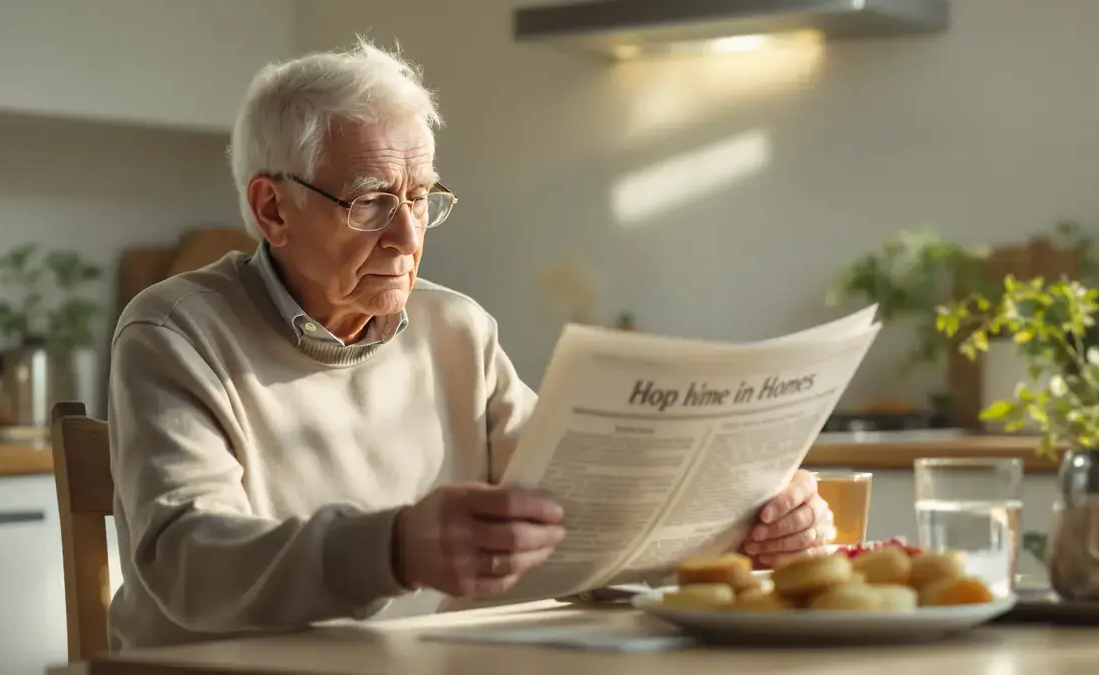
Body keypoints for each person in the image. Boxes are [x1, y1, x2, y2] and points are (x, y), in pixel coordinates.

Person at [106, 39, 834, 651]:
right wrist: (393, 548)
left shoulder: (457, 329)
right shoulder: (175, 333)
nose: (407, 235)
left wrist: (749, 522)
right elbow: (191, 560)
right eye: (370, 201)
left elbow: (586, 516)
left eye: (420, 197)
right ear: (273, 209)